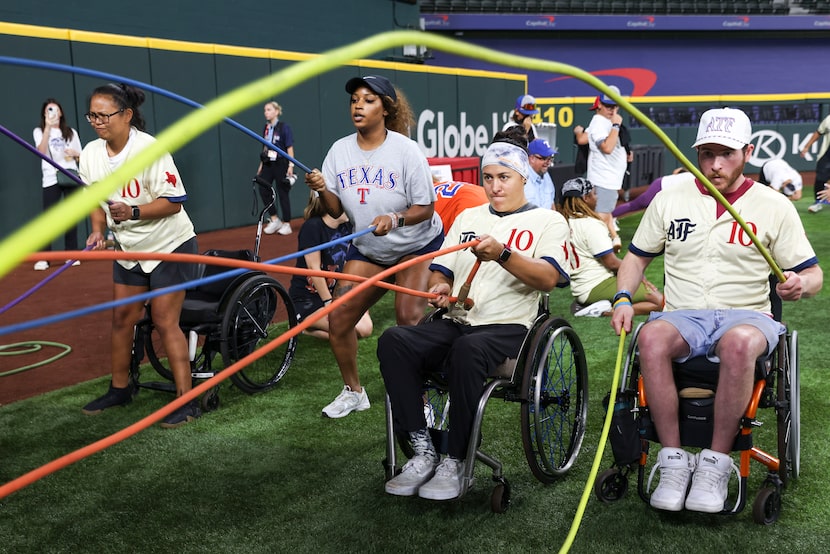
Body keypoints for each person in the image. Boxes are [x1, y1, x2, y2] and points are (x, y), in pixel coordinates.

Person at [611, 107, 822, 514]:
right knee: (650, 337)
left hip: (748, 316)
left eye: (726, 154)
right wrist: (622, 297)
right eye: (706, 153)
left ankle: (715, 464)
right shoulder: (670, 198)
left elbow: (813, 274)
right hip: (683, 315)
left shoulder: (774, 205)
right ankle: (672, 461)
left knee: (740, 344)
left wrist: (801, 284)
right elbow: (636, 258)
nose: (715, 164)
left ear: (748, 151)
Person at [378, 130, 571, 501]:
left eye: (504, 177)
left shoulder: (548, 221)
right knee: (394, 340)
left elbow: (549, 278)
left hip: (510, 328)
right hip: (457, 323)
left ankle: (455, 459)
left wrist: (503, 254)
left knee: (469, 351)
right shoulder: (468, 216)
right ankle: (422, 450)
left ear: (522, 177)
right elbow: (442, 271)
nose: (495, 186)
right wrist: (438, 288)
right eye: (488, 177)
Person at [305, 74, 444, 419]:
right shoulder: (339, 150)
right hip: (369, 248)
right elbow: (336, 211)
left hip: (417, 244)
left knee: (408, 319)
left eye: (368, 100)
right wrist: (323, 189)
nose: (358, 106)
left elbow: (426, 209)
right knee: (338, 319)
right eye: (354, 100)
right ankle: (354, 392)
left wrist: (395, 219)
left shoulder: (406, 150)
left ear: (385, 108)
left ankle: (423, 401)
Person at [80, 83, 201, 429]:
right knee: (122, 318)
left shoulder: (149, 149)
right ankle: (120, 389)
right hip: (129, 248)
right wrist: (98, 230)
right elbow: (94, 198)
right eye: (93, 115)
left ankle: (186, 400)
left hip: (169, 244)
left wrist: (132, 212)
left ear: (127, 115)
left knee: (165, 320)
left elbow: (174, 201)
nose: (97, 121)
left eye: (104, 115)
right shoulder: (90, 153)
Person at [560, 177, 663, 317]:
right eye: (594, 194)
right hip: (596, 285)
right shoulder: (590, 224)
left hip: (581, 286)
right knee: (658, 302)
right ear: (585, 198)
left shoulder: (563, 223)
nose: (596, 197)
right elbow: (612, 263)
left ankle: (595, 304)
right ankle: (602, 311)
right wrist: (638, 275)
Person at [288, 191, 373, 340]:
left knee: (365, 329)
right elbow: (314, 270)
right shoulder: (312, 226)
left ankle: (307, 327)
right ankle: (302, 324)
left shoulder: (347, 226)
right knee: (349, 330)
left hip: (336, 293)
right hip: (308, 299)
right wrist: (329, 303)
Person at [32, 98, 83, 271]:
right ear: (44, 114)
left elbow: (81, 155)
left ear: (61, 112)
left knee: (71, 217)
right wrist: (47, 127)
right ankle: (44, 258)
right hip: (51, 177)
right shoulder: (39, 131)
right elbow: (40, 151)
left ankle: (71, 254)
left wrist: (75, 153)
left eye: (54, 109)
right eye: (48, 110)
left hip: (70, 175)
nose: (52, 113)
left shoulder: (71, 132)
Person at [586, 86, 627, 251]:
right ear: (600, 105)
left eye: (615, 106)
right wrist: (616, 126)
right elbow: (607, 147)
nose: (612, 109)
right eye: (608, 105)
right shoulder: (599, 122)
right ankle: (599, 252)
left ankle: (613, 239)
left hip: (607, 177)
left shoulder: (604, 122)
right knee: (600, 219)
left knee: (604, 214)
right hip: (604, 178)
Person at [255, 100, 296, 235]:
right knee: (263, 188)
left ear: (277, 111)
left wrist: (291, 164)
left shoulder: (284, 127)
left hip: (281, 163)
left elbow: (289, 147)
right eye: (265, 110)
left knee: (282, 192)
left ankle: (287, 223)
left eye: (269, 109)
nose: (266, 112)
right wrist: (261, 165)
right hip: (268, 163)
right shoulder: (266, 128)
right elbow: (265, 147)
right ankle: (274, 219)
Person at [612, 168, 689, 219]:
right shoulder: (695, 176)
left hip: (663, 188)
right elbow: (677, 171)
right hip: (660, 186)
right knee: (634, 205)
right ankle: (607, 217)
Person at [799, 112, 830, 213]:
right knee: (820, 179)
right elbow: (818, 132)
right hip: (826, 154)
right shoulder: (828, 120)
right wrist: (807, 146)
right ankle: (818, 202)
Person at [526, 138, 557, 210]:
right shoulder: (521, 177)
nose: (548, 162)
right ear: (531, 158)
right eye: (544, 158)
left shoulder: (546, 175)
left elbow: (552, 204)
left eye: (550, 158)